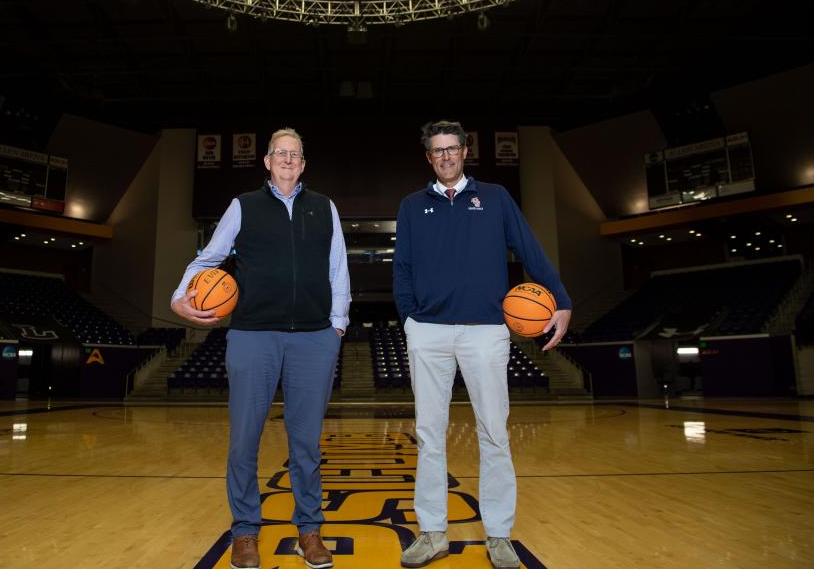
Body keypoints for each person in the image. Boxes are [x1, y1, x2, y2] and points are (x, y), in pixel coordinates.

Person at [393, 120, 572, 569]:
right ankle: (433, 533)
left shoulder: (494, 197)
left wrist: (562, 301)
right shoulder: (412, 205)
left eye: (453, 148)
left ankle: (498, 536)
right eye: (438, 151)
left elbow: (530, 250)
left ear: (466, 151)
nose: (446, 156)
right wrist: (409, 318)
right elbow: (403, 267)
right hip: (428, 331)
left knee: (494, 433)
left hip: (486, 331)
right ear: (429, 157)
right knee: (430, 436)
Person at [172, 128, 350, 569]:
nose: (288, 159)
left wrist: (338, 327)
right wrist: (180, 296)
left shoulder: (324, 207)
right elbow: (207, 259)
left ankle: (310, 530)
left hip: (314, 336)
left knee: (306, 443)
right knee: (244, 439)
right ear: (267, 161)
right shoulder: (243, 205)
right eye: (280, 153)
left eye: (295, 154)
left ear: (303, 164)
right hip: (253, 334)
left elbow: (338, 268)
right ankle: (245, 532)